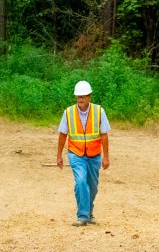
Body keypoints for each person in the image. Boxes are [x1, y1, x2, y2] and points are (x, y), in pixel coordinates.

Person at [56, 80, 110, 226]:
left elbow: (104, 135)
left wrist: (106, 157)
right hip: (76, 154)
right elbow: (62, 135)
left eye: (84, 96)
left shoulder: (99, 111)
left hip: (94, 155)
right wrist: (59, 155)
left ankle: (89, 212)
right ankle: (83, 216)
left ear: (89, 96)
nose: (81, 99)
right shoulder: (68, 112)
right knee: (80, 182)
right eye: (78, 96)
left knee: (92, 186)